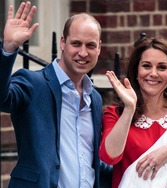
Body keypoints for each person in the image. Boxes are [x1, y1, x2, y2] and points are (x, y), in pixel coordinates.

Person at [0, 1, 112, 188]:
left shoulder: (95, 98)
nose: (83, 53)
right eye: (76, 43)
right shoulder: (33, 83)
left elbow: (90, 161)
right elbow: (2, 99)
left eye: (90, 45)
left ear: (99, 48)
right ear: (62, 42)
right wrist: (9, 49)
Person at [99, 36, 167, 188]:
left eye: (162, 67)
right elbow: (109, 157)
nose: (153, 73)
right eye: (146, 66)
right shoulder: (115, 114)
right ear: (136, 71)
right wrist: (129, 109)